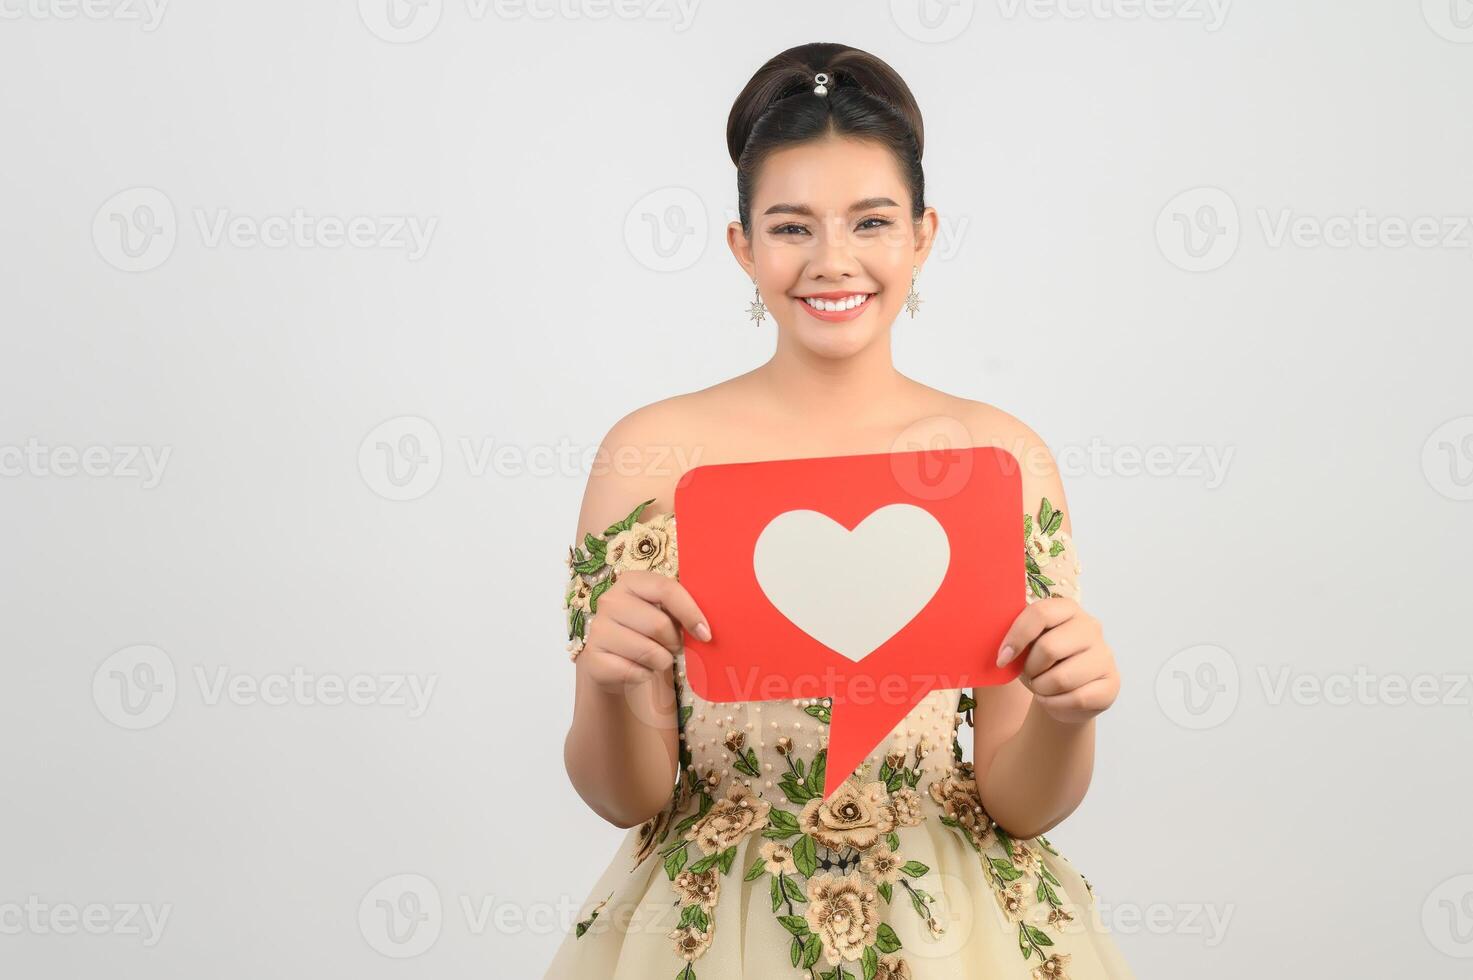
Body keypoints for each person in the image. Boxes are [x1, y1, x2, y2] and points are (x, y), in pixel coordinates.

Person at [545, 41, 1133, 980]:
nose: (833, 261)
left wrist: (1069, 713)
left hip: (955, 927)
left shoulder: (997, 459)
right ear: (742, 245)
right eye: (790, 227)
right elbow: (626, 795)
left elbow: (1017, 801)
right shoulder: (652, 455)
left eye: (870, 221)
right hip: (716, 923)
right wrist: (615, 683)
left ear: (922, 235)